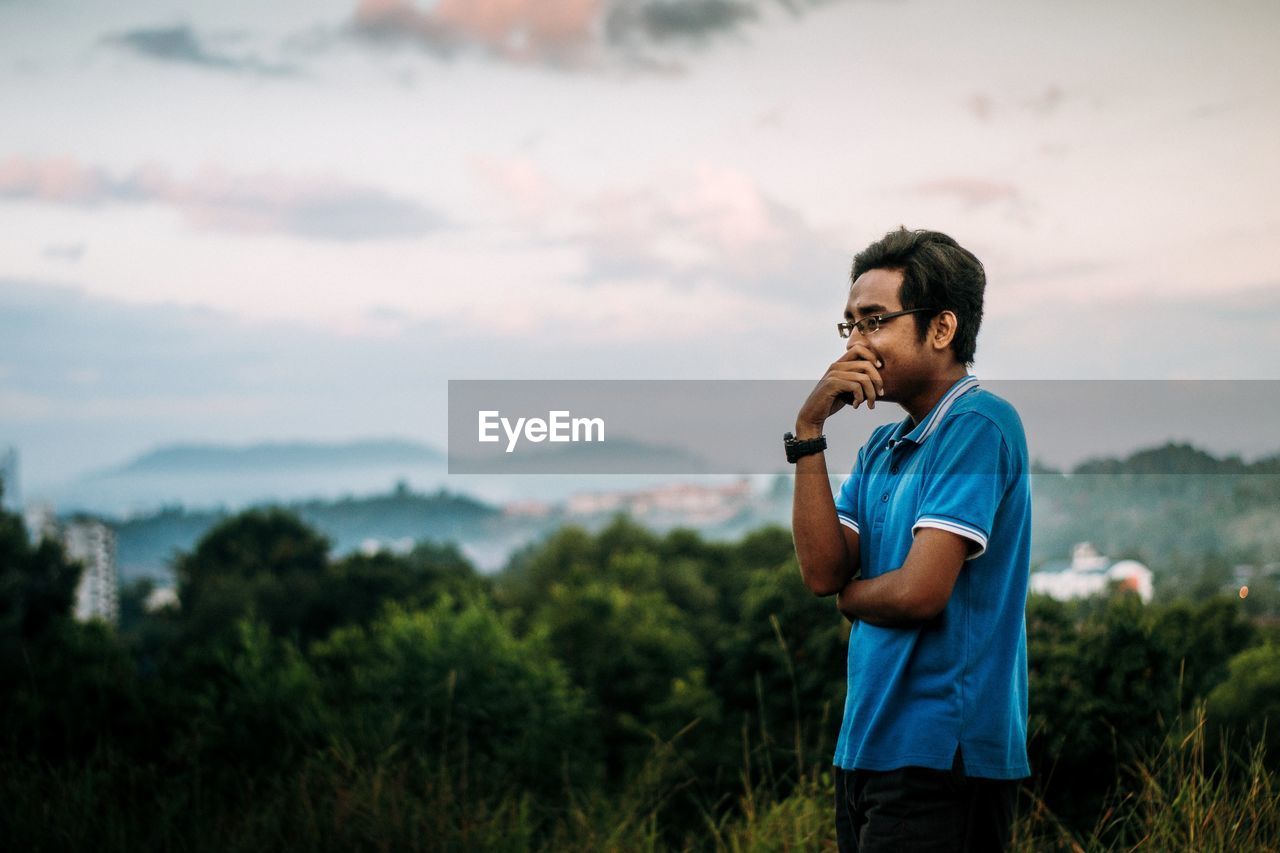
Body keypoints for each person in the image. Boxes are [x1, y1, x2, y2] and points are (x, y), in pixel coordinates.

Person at [787, 227, 1031, 851]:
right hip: (866, 749)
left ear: (942, 329)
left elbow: (921, 592)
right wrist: (809, 428)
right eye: (849, 327)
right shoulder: (882, 447)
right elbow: (821, 572)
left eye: (874, 321)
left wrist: (853, 598)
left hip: (943, 756)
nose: (856, 345)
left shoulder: (977, 424)